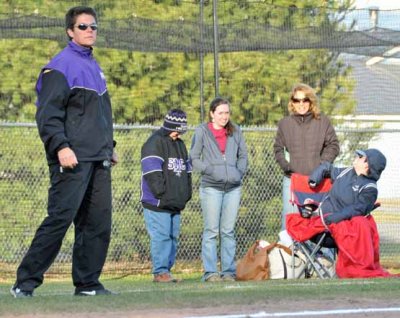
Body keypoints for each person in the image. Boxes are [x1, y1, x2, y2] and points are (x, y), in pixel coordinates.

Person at [10, 6, 117, 298]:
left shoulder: (94, 66)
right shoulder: (60, 66)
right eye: (83, 27)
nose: (90, 31)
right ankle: (25, 283)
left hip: (99, 157)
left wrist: (110, 147)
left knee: (97, 224)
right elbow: (48, 115)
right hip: (71, 158)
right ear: (70, 31)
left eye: (93, 26)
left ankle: (87, 285)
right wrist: (61, 146)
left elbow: (99, 115)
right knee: (59, 220)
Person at [287, 149, 396, 278]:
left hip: (339, 232)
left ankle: (355, 269)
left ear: (367, 164)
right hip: (320, 228)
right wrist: (314, 178)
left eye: (361, 156)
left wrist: (334, 218)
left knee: (360, 222)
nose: (356, 157)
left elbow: (358, 209)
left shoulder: (370, 188)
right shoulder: (346, 172)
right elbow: (327, 167)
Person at [190, 97, 248, 282]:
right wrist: (210, 170)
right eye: (220, 113)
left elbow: (243, 156)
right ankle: (210, 272)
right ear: (212, 114)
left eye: (227, 113)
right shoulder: (201, 131)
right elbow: (194, 157)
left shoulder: (236, 131)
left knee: (228, 231)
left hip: (233, 188)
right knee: (211, 231)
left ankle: (228, 271)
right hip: (211, 188)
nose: (224, 116)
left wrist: (238, 173)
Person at [273, 83, 339, 230]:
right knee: (290, 226)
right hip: (293, 181)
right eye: (297, 100)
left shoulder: (323, 122)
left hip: (318, 183)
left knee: (318, 226)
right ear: (292, 103)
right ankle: (291, 253)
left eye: (305, 100)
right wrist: (286, 166)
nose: (301, 104)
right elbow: (278, 148)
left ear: (311, 102)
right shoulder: (285, 124)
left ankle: (320, 254)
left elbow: (333, 145)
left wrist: (322, 166)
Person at [141, 109, 192, 283]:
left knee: (173, 237)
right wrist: (162, 194)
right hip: (157, 202)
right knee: (161, 236)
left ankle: (166, 272)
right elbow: (152, 172)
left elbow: (187, 171)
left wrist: (185, 194)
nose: (179, 133)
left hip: (175, 202)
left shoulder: (180, 144)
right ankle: (160, 272)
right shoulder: (154, 143)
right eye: (177, 129)